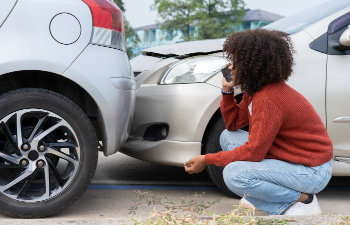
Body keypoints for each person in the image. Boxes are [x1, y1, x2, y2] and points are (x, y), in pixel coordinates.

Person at [184, 29, 333, 216]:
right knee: (228, 137)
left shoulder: (269, 97)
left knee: (234, 175)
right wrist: (227, 91)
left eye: (237, 61)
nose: (231, 66)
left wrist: (207, 159)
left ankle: (303, 201)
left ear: (253, 65)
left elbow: (254, 152)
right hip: (292, 158)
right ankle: (271, 195)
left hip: (312, 172)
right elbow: (233, 124)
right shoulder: (257, 90)